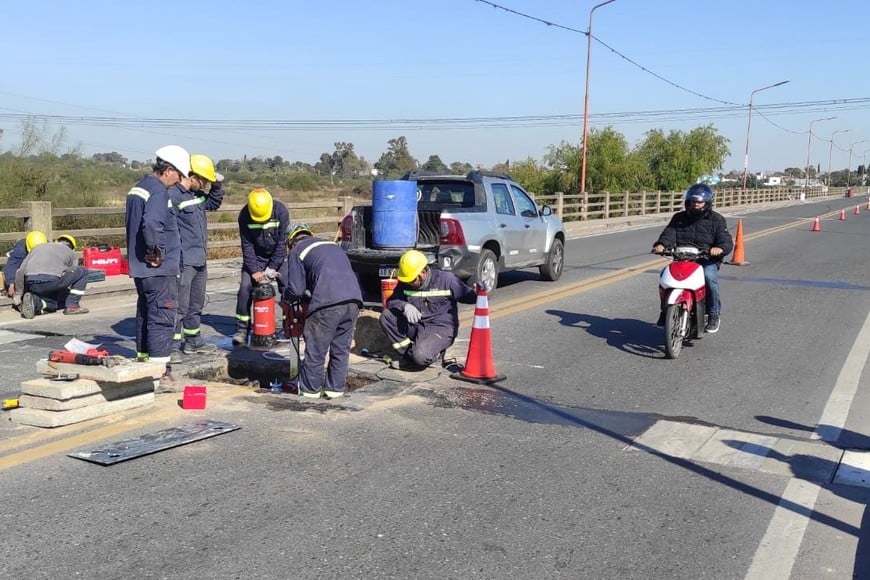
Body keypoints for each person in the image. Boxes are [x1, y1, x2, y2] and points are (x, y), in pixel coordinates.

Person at [125, 145, 189, 392]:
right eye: (179, 174)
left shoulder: (138, 188)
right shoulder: (159, 191)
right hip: (158, 270)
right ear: (169, 170)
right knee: (162, 316)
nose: (180, 180)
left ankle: (144, 362)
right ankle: (162, 374)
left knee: (146, 313)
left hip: (141, 269)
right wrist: (157, 251)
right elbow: (152, 223)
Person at [280, 223, 363, 399]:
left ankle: (310, 395)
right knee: (340, 350)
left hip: (328, 303)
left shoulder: (297, 251)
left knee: (316, 351)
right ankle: (335, 394)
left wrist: (286, 300)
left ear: (291, 242)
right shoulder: (331, 246)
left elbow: (296, 289)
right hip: (354, 299)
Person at [652, 183, 733, 334]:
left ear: (707, 202)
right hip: (683, 257)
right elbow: (669, 234)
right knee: (665, 276)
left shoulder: (717, 220)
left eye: (699, 202)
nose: (695, 204)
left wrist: (719, 249)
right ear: (687, 201)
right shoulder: (679, 218)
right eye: (693, 201)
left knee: (709, 277)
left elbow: (725, 240)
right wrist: (661, 244)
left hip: (706, 258)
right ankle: (665, 311)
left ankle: (714, 314)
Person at [379, 249, 478, 369]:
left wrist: (477, 292)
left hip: (440, 329)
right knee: (386, 316)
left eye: (412, 280)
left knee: (421, 356)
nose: (409, 283)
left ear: (423, 272)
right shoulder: (406, 281)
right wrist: (405, 306)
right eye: (406, 280)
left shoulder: (446, 280)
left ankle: (427, 355)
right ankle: (408, 356)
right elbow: (392, 301)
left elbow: (469, 297)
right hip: (417, 325)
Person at [169, 153, 224, 355]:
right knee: (179, 306)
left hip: (200, 259)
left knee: (195, 304)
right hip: (184, 260)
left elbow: (213, 204)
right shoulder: (173, 196)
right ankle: (172, 346)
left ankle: (193, 340)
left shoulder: (197, 196)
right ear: (191, 176)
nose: (204, 186)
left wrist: (217, 186)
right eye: (203, 181)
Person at [233, 188, 290, 346]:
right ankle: (242, 330)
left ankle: (289, 326)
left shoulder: (281, 211)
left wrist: (272, 267)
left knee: (289, 287)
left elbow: (282, 244)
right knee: (245, 289)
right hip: (255, 259)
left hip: (277, 257)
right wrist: (254, 270)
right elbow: (247, 245)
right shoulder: (245, 215)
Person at [13, 237, 90, 318]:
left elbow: (20, 272)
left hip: (32, 283)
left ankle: (34, 302)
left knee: (51, 303)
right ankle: (72, 306)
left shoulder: (37, 248)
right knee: (83, 271)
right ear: (72, 248)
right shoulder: (71, 253)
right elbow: (71, 275)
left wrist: (18, 294)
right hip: (52, 281)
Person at [4, 231, 46, 300]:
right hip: (24, 275)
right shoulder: (20, 249)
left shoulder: (47, 246)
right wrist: (11, 284)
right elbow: (12, 265)